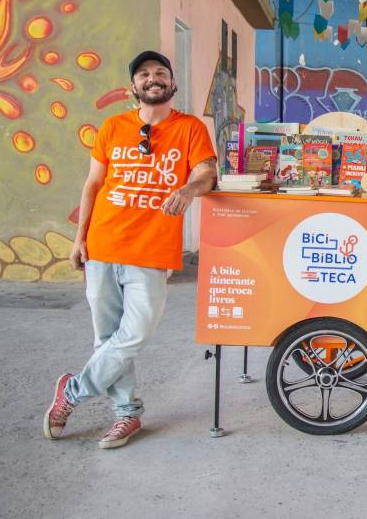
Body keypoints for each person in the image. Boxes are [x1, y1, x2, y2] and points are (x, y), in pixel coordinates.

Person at [43, 50, 217, 449]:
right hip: (104, 245)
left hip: (151, 251)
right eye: (144, 74)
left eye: (160, 73)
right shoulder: (112, 127)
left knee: (136, 332)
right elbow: (92, 185)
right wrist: (79, 238)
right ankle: (127, 415)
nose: (153, 78)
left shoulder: (189, 128)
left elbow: (206, 171)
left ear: (172, 84)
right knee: (106, 338)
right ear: (133, 87)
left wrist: (189, 188)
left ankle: (71, 392)